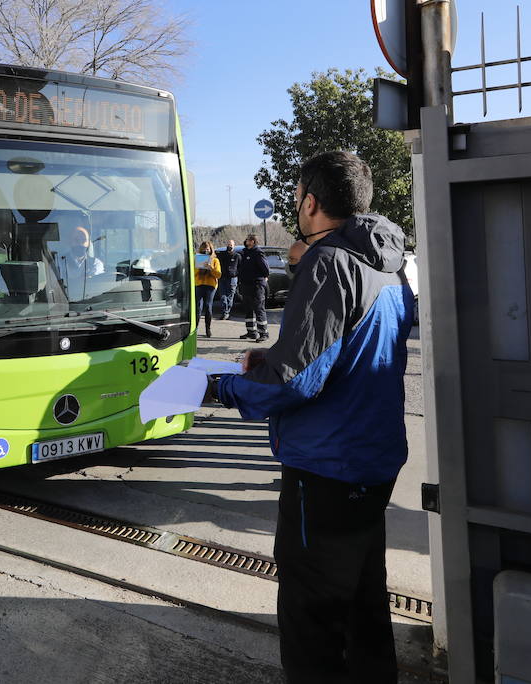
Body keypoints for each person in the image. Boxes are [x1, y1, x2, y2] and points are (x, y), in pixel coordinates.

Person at [208, 150, 414, 681]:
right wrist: (269, 359)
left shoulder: (329, 262)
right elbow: (347, 352)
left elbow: (296, 382)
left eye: (299, 198)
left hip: (326, 468)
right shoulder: (387, 265)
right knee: (364, 607)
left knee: (312, 622)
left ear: (310, 202)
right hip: (373, 461)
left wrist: (223, 387)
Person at [56, 224, 104, 298]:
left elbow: (98, 285)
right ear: (70, 241)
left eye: (84, 240)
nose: (80, 243)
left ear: (88, 243)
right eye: (77, 240)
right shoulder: (59, 262)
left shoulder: (96, 263)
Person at [237, 234, 270, 341]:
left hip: (256, 286)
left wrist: (263, 277)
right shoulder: (245, 252)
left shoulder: (258, 253)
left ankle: (264, 333)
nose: (245, 241)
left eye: (247, 240)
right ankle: (251, 332)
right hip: (246, 285)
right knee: (248, 309)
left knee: (259, 308)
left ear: (252, 241)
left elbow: (266, 269)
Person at [193, 240, 221, 338]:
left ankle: (208, 329)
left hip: (210, 286)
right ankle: (194, 329)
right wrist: (200, 267)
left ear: (211, 250)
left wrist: (210, 268)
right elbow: (193, 273)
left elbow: (218, 274)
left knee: (208, 307)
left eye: (208, 249)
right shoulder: (197, 258)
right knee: (198, 308)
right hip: (199, 285)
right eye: (204, 249)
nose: (206, 250)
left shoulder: (215, 260)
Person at [215, 240, 241, 320]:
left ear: (234, 246)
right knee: (223, 296)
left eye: (231, 245)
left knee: (230, 296)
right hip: (222, 278)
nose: (229, 246)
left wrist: (236, 274)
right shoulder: (222, 255)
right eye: (228, 244)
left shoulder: (237, 256)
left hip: (232, 279)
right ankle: (225, 311)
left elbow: (240, 268)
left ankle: (226, 312)